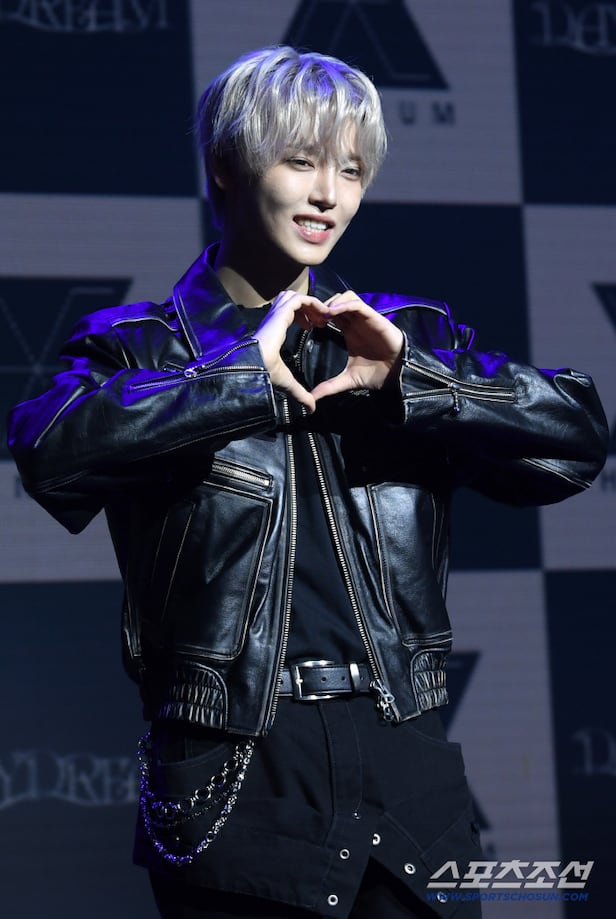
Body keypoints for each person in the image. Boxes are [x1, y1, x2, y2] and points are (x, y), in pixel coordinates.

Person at [7, 46, 608, 919]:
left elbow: (577, 441)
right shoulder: (139, 348)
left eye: (352, 170)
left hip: (408, 770)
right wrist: (237, 377)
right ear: (226, 166)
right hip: (237, 773)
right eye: (301, 162)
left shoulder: (398, 337)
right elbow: (49, 451)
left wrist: (415, 377)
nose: (330, 194)